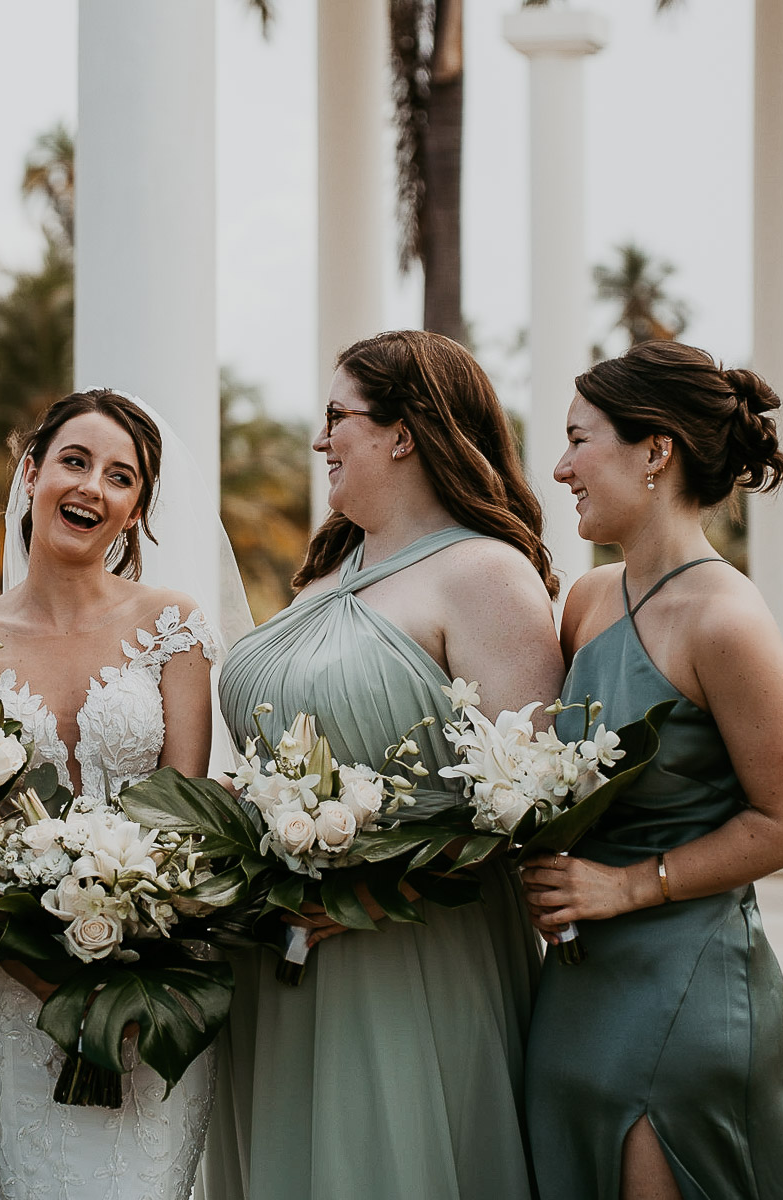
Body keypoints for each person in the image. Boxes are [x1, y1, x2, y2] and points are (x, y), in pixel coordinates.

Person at [206, 330, 561, 1199]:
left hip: (409, 954)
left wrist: (377, 889)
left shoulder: (484, 574)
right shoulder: (327, 574)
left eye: (338, 418)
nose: (321, 440)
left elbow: (533, 799)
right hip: (280, 954)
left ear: (404, 431)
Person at [523, 340, 783, 1199]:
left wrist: (626, 888)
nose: (560, 467)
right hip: (578, 975)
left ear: (654, 451)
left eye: (580, 440)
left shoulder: (725, 620)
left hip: (685, 975)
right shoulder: (585, 601)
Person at [0, 387, 245, 1200]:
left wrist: (132, 978)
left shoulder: (173, 627)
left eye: (121, 477)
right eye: (74, 462)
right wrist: (51, 984)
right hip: (16, 990)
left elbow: (187, 820)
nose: (92, 488)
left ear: (136, 508)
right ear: (32, 471)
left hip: (157, 987)